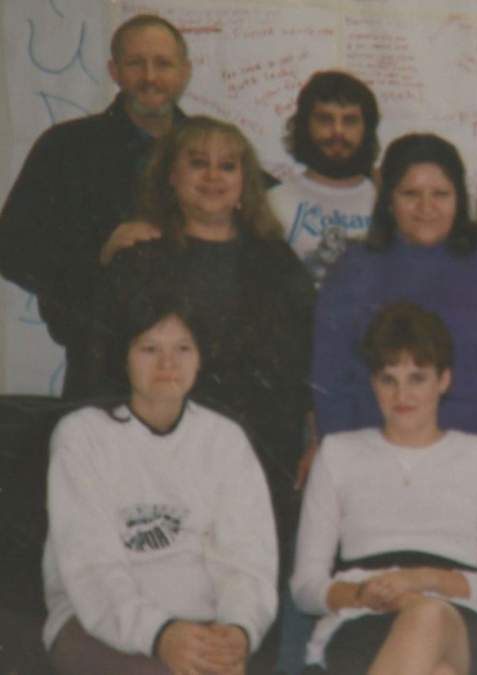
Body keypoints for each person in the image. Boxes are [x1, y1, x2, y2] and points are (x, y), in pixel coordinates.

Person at [88, 115, 314, 545]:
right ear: (171, 176)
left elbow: (307, 358)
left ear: (244, 182)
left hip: (264, 449)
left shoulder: (276, 260)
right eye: (198, 163)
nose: (213, 176)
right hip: (162, 450)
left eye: (228, 166)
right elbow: (102, 360)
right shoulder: (139, 256)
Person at [42, 290, 277, 675]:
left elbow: (247, 562)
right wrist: (161, 636)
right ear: (123, 356)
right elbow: (93, 572)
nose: (168, 363)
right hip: (98, 625)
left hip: (202, 626)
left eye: (183, 348)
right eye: (149, 348)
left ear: (200, 357)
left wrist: (238, 630)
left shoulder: (225, 439)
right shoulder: (81, 436)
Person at [291, 302, 477, 675]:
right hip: (364, 615)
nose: (403, 395)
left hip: (460, 616)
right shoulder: (338, 452)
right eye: (389, 379)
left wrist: (423, 581)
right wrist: (361, 594)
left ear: (444, 380)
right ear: (373, 383)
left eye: (417, 378)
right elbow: (305, 586)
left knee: (429, 615)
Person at [310, 132, 477, 469]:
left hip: (474, 465)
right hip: (374, 463)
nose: (426, 208)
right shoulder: (353, 269)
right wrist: (356, 463)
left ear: (459, 197)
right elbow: (330, 380)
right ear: (388, 199)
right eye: (410, 194)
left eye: (441, 194)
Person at [0, 14, 191, 398]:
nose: (150, 76)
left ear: (185, 72)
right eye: (136, 63)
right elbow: (11, 249)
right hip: (99, 362)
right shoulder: (66, 148)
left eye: (164, 63)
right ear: (114, 70)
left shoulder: (212, 151)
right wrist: (98, 253)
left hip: (198, 365)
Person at [268, 70, 380, 287]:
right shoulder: (273, 203)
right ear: (304, 125)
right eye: (325, 119)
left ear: (367, 130)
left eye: (350, 121)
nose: (337, 131)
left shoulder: (388, 203)